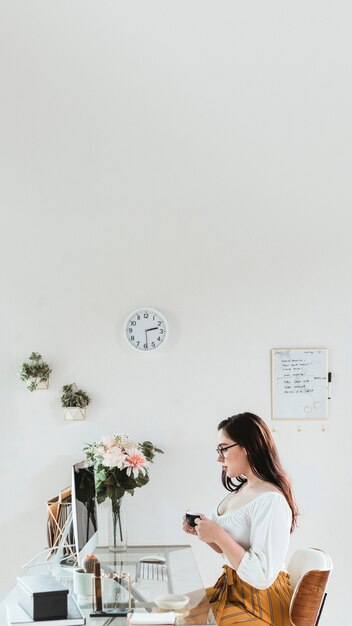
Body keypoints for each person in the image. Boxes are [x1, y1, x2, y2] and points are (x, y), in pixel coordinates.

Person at [183, 412, 298, 626]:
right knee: (165, 611)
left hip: (263, 603)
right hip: (235, 590)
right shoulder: (243, 489)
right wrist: (207, 535)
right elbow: (232, 552)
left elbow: (262, 576)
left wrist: (218, 534)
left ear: (247, 447)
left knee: (179, 619)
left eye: (223, 449)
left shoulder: (270, 499)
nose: (219, 458)